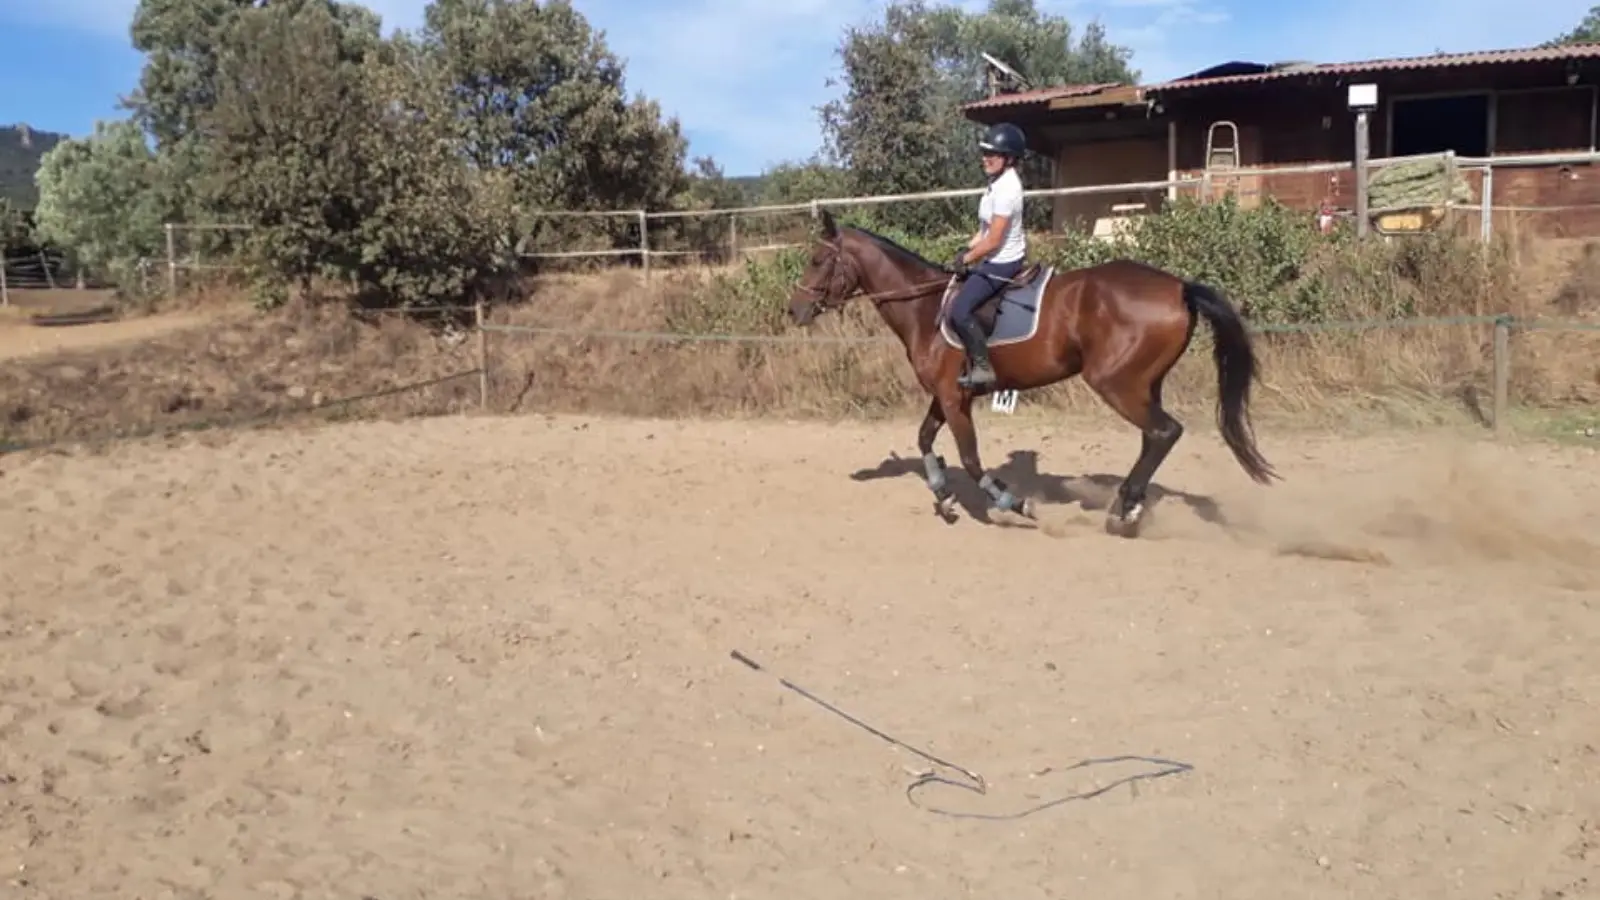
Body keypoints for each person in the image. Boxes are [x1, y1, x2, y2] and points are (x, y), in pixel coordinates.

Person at [947, 121, 1028, 389]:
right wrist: (965, 249)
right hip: (991, 256)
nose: (985, 159)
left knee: (959, 310)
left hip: (1003, 262)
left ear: (1008, 158)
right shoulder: (996, 183)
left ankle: (983, 367)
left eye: (992, 155)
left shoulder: (1008, 189)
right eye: (985, 153)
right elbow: (984, 231)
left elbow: (993, 241)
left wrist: (967, 259)